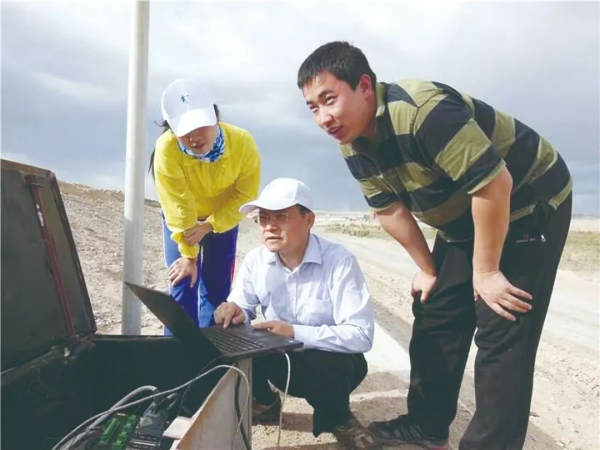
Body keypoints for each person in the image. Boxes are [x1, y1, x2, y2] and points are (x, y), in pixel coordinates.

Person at [296, 41, 573, 450]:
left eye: (329, 99)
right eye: (312, 108)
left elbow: (494, 184)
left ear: (365, 86)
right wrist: (428, 269)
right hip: (468, 213)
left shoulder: (424, 112)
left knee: (502, 324)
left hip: (528, 199)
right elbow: (390, 210)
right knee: (436, 310)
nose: (323, 118)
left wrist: (486, 271)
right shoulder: (352, 142)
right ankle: (427, 425)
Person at [214, 178, 381, 450]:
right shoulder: (256, 260)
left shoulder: (339, 261)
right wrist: (233, 310)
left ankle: (339, 419)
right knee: (231, 334)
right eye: (263, 218)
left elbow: (361, 335)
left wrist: (294, 332)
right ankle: (265, 402)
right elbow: (241, 304)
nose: (269, 226)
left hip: (334, 365)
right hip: (281, 360)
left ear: (309, 220)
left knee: (327, 364)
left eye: (281, 217)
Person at [151, 78, 260, 330]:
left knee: (216, 289)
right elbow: (178, 206)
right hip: (182, 223)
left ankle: (211, 348)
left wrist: (210, 225)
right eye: (184, 130)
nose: (195, 137)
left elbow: (245, 195)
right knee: (182, 281)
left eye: (201, 125)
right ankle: (177, 349)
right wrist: (189, 256)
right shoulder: (166, 148)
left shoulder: (242, 142)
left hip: (223, 219)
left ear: (216, 117)